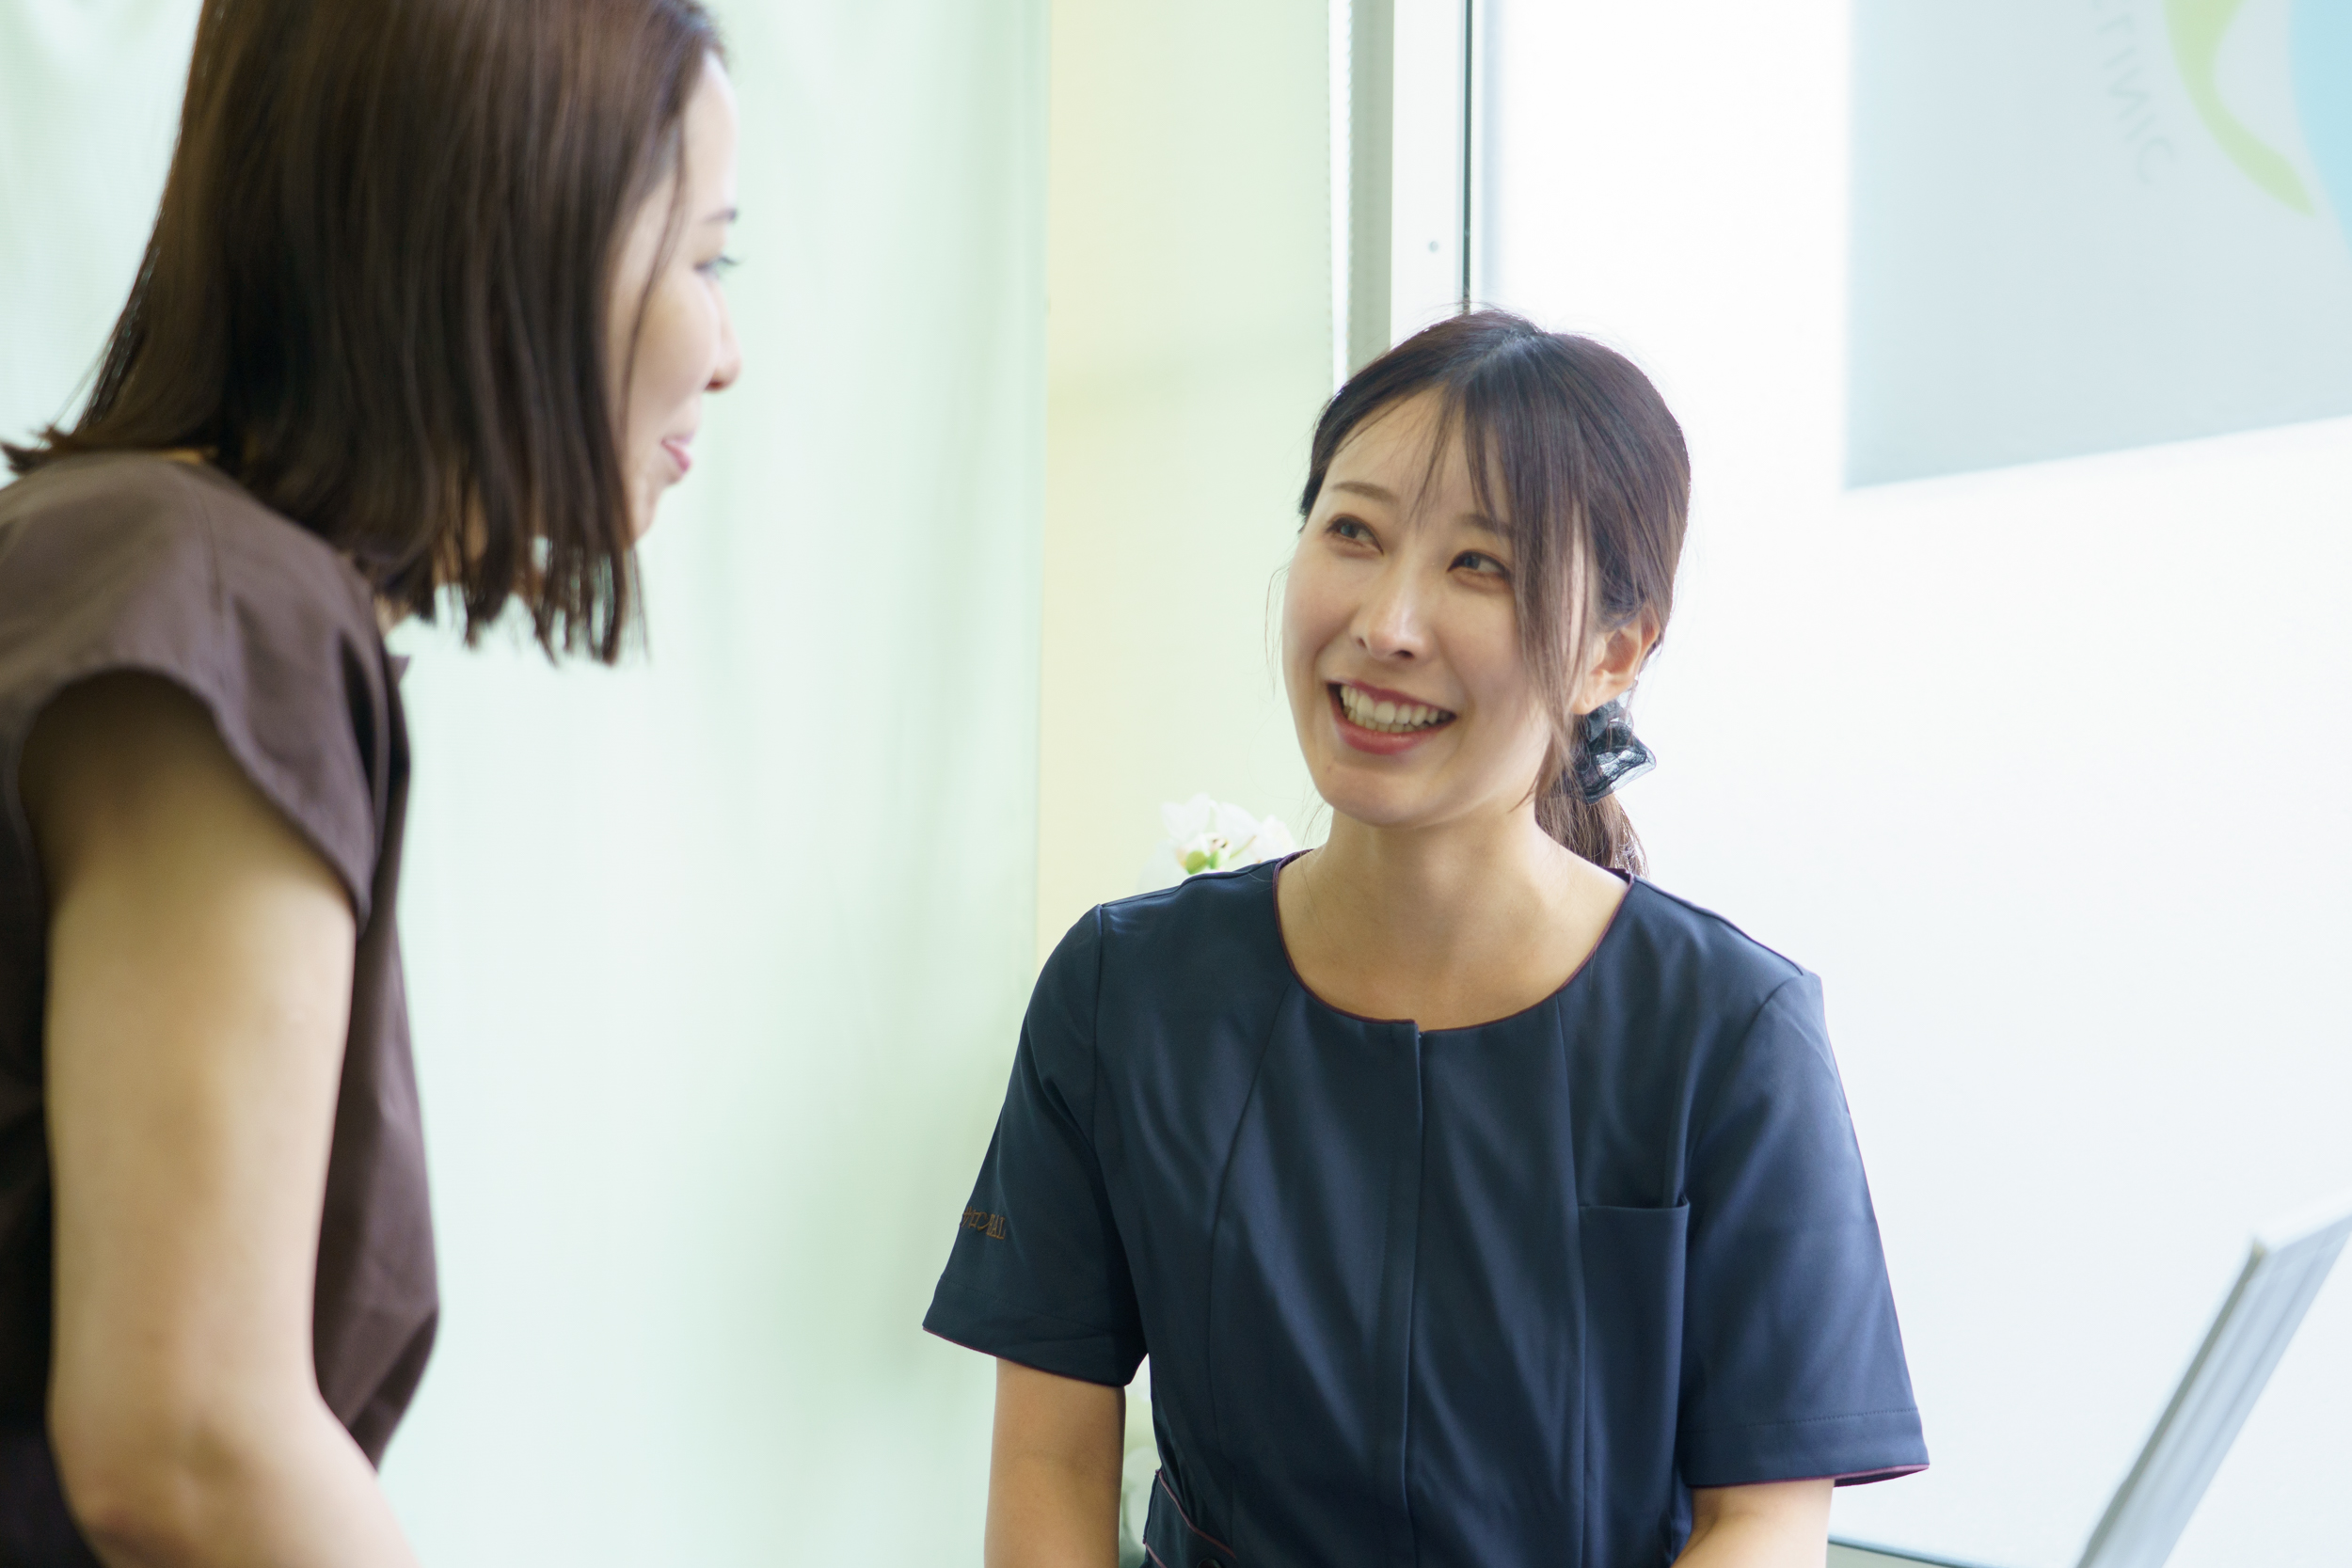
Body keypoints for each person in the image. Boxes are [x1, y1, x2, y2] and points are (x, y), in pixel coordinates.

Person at [926, 311, 1927, 1568]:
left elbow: (1765, 1521)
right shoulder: (1126, 990)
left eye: (1481, 565)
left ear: (1613, 653)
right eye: (1353, 532)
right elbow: (1049, 1463)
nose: (1388, 623)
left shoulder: (1729, 1033)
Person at [0, 0, 740, 1560]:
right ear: (516, 237)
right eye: (706, 261)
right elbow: (187, 1440)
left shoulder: (115, 558)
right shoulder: (222, 609)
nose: (725, 355)